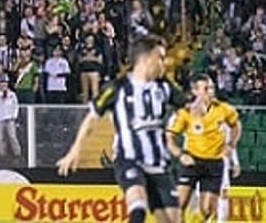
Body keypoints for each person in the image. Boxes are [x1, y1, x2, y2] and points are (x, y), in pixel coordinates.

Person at [57, 34, 185, 223]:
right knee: (138, 209)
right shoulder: (117, 88)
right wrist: (75, 150)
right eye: (160, 57)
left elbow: (189, 107)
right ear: (146, 58)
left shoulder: (165, 87)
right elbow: (91, 119)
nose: (163, 63)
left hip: (159, 164)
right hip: (129, 159)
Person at [166, 76, 241, 223]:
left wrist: (231, 144)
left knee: (207, 210)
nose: (210, 92)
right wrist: (180, 155)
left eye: (212, 88)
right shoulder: (185, 112)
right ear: (195, 91)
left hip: (214, 163)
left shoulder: (224, 109)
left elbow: (236, 125)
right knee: (179, 204)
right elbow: (169, 137)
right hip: (192, 162)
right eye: (206, 89)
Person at [0, 76, 21, 159]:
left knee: (12, 136)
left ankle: (17, 153)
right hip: (0, 118)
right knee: (0, 138)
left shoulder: (12, 95)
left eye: (5, 85)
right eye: (2, 86)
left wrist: (14, 116)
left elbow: (16, 106)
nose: (3, 87)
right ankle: (2, 154)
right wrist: (0, 100)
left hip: (10, 118)